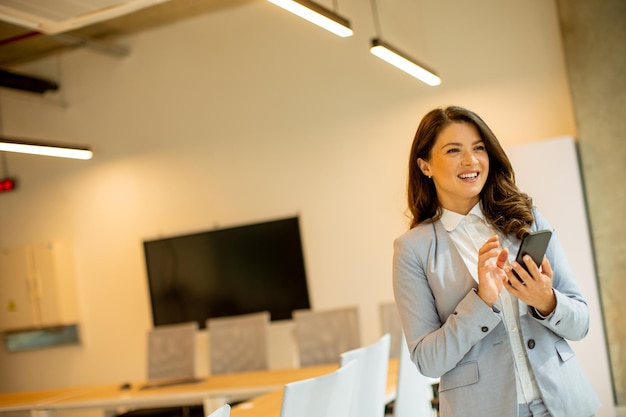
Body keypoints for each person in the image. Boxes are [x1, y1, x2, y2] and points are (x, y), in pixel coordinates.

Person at [392, 106, 601, 417]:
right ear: (425, 166)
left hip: (563, 404)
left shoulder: (527, 217)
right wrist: (481, 300)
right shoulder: (412, 250)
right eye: (453, 150)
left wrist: (546, 300)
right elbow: (428, 361)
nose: (471, 161)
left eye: (479, 148)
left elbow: (581, 322)